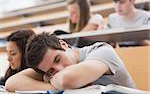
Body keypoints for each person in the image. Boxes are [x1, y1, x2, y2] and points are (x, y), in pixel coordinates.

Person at [5, 32, 136, 92]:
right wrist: (51, 86)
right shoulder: (49, 68)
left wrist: (50, 78)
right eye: (51, 70)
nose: (60, 69)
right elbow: (11, 83)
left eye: (58, 59)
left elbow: (66, 79)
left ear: (64, 45)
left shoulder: (101, 50)